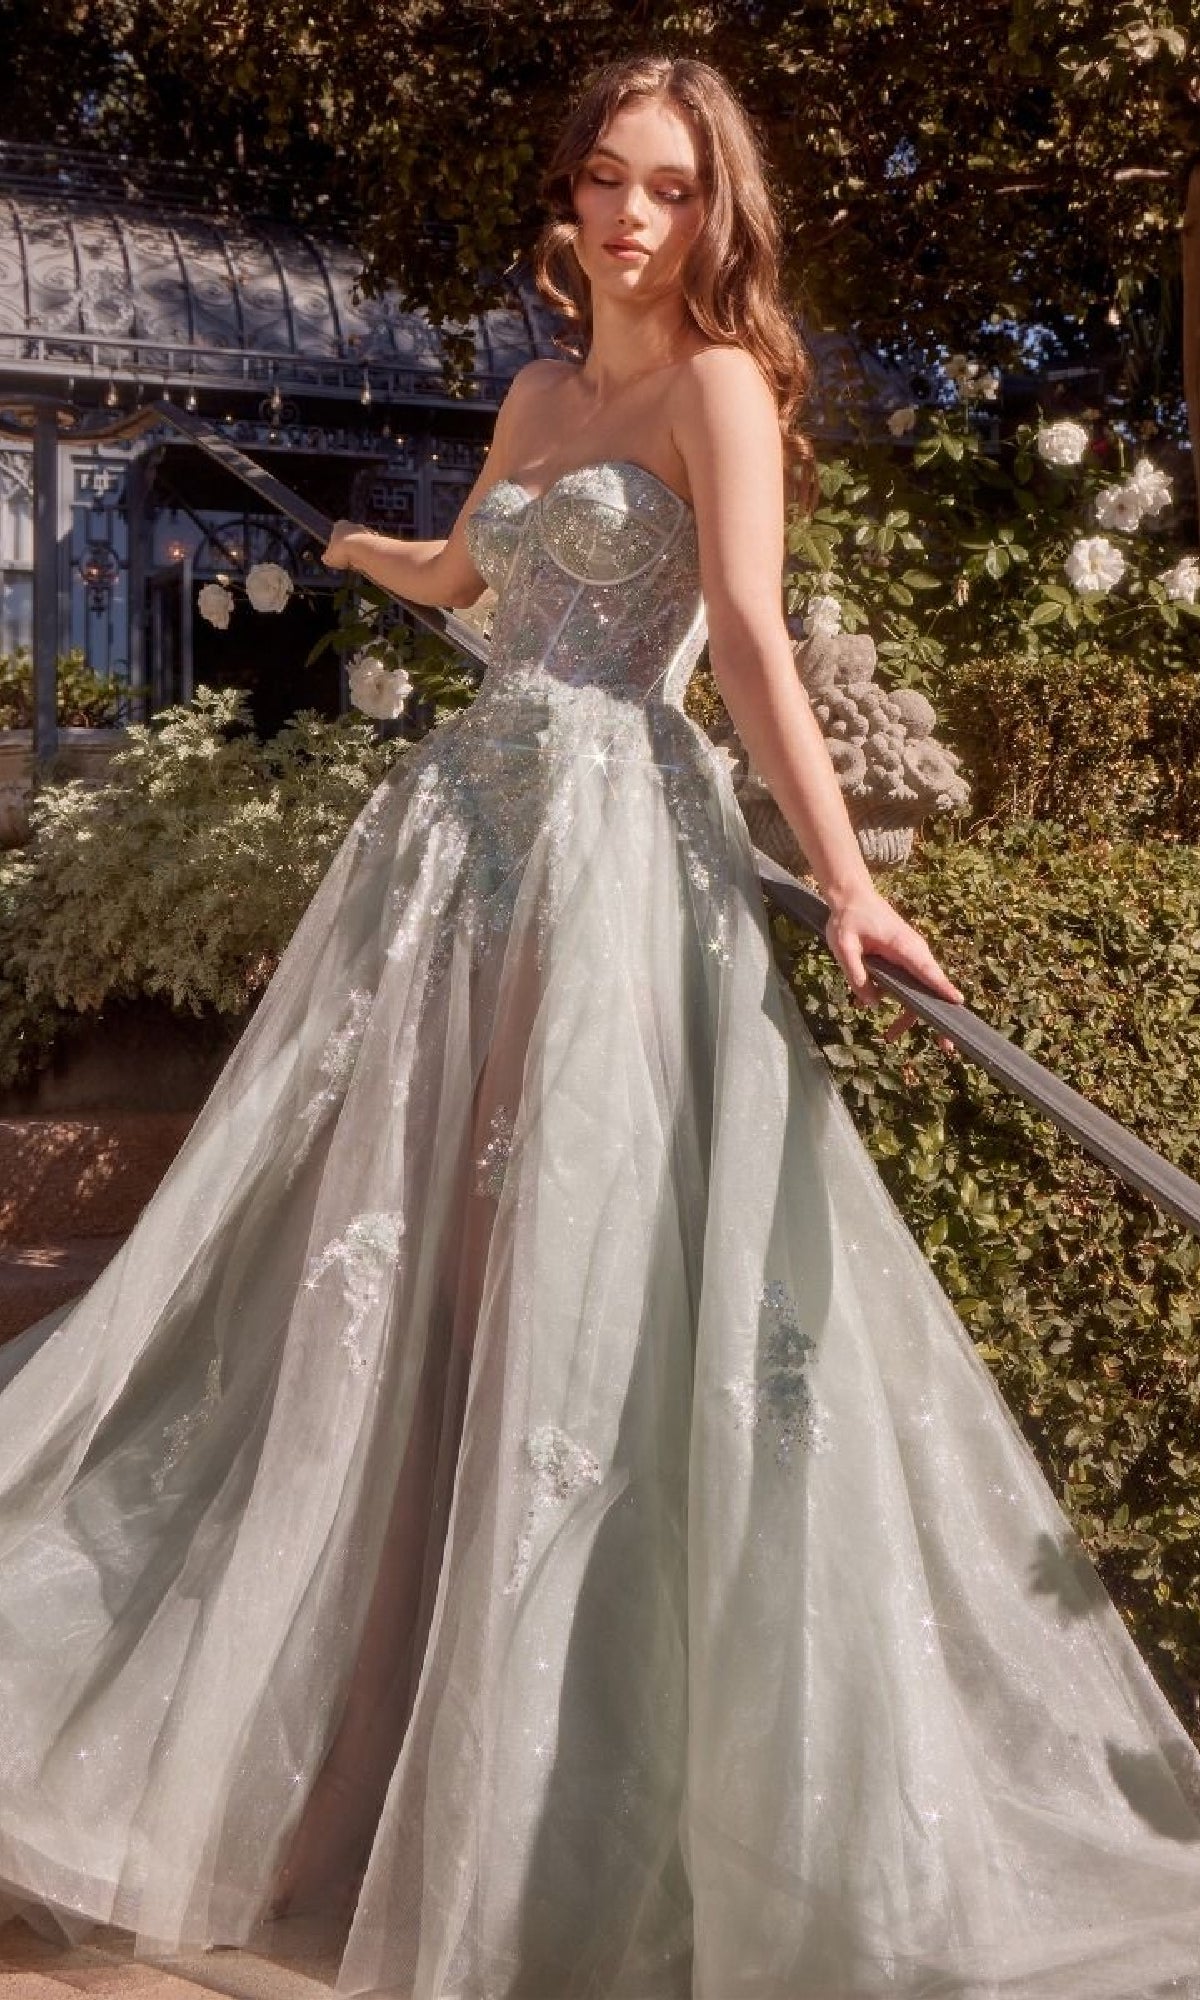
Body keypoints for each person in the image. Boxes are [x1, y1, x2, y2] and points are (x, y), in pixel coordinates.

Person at [0, 48, 1199, 2000]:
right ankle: (372, 1762)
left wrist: (853, 881)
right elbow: (474, 574)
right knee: (410, 1284)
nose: (634, 215)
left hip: (619, 860)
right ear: (568, 198)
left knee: (566, 1291)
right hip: (461, 855)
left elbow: (749, 641)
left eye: (670, 185)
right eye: (606, 179)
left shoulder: (721, 388)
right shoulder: (540, 393)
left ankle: (546, 1807)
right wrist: (364, 555)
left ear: (715, 211)